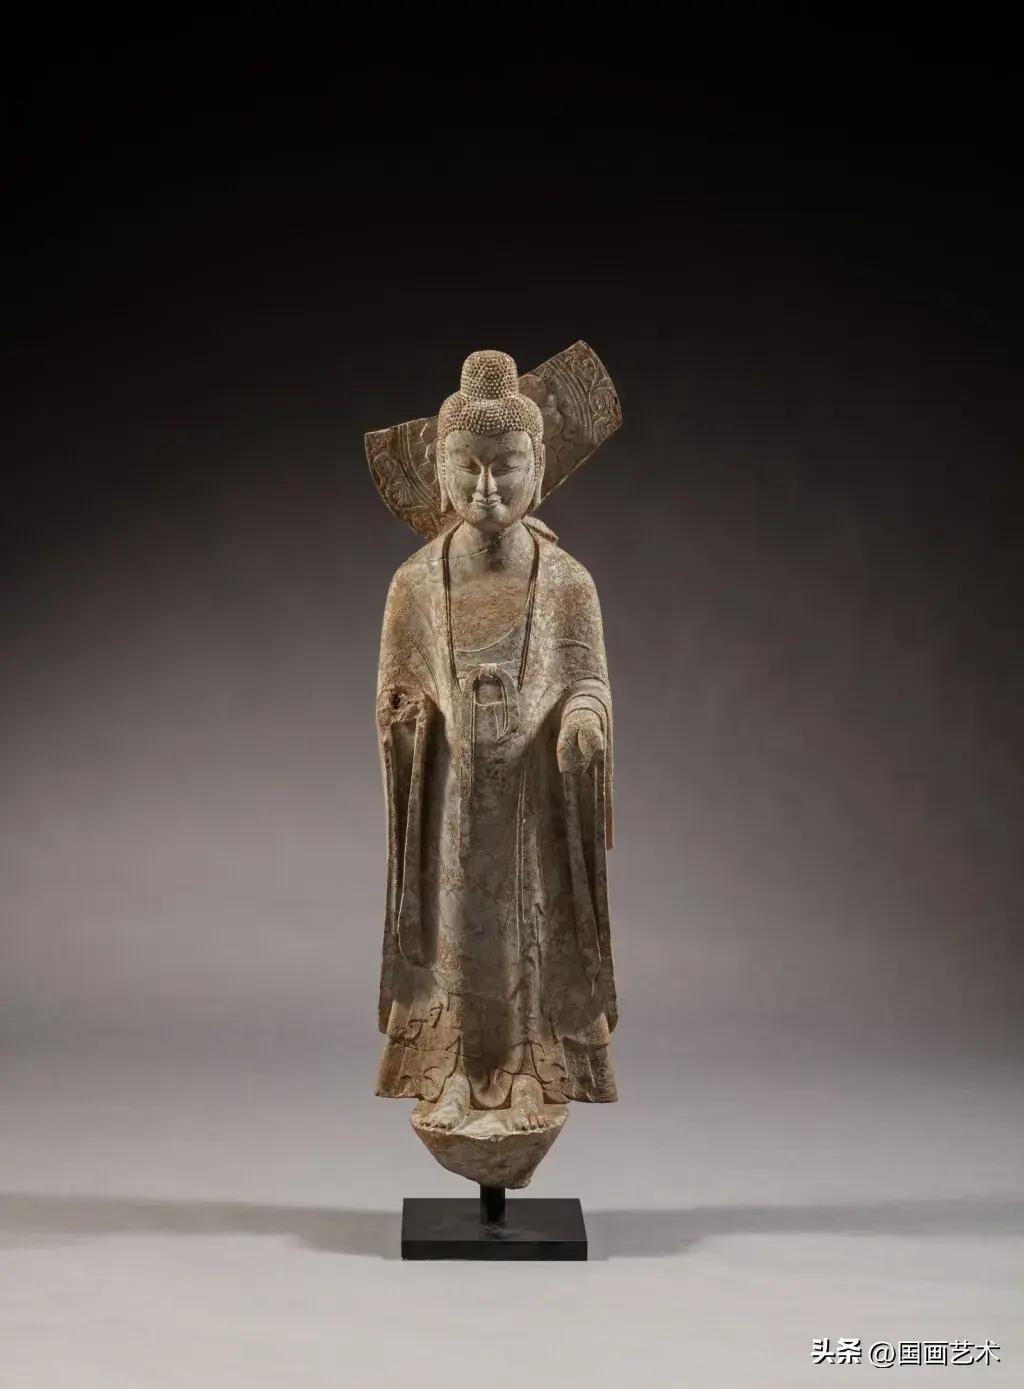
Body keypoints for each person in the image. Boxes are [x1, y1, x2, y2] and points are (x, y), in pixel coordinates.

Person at [372, 349, 618, 1134]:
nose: (486, 486)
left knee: (530, 927)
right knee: (456, 929)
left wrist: (582, 721)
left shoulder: (566, 581)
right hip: (451, 791)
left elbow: (587, 681)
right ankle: (454, 1070)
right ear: (440, 471)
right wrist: (418, 714)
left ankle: (524, 1075)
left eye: (505, 465)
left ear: (537, 466)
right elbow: (395, 694)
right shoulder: (416, 583)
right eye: (469, 465)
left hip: (532, 797)